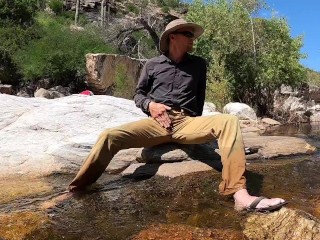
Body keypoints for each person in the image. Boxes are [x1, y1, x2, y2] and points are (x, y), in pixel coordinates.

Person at [68, 18, 287, 212]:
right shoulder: (152, 65)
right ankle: (77, 187)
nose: (193, 38)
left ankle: (239, 194)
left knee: (228, 120)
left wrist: (198, 129)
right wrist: (150, 105)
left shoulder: (199, 65)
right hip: (156, 122)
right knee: (109, 135)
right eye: (188, 34)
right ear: (173, 37)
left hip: (187, 122)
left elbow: (199, 98)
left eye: (192, 35)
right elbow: (138, 95)